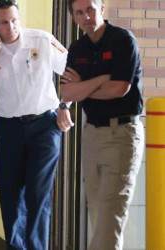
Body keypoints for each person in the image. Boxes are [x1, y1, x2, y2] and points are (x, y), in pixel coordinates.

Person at [0, 0, 72, 249]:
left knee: (38, 195)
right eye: (4, 22)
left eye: (14, 20)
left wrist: (64, 105)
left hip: (44, 127)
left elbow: (72, 72)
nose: (11, 26)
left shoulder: (42, 41)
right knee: (11, 198)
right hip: (9, 128)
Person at [61, 0, 144, 249]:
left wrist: (83, 88)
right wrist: (100, 81)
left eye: (90, 9)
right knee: (98, 215)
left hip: (122, 135)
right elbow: (67, 93)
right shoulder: (76, 49)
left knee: (109, 216)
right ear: (74, 17)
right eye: (79, 12)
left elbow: (119, 88)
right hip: (91, 136)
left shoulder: (122, 41)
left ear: (101, 9)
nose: (86, 16)